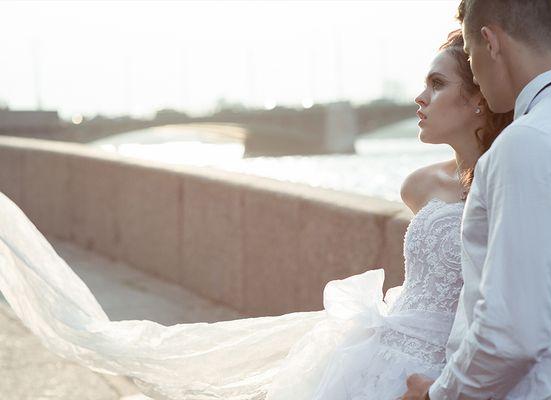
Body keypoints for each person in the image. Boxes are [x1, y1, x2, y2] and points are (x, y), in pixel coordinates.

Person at [0, 31, 511, 400]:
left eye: (437, 84)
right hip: (377, 358)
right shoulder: (418, 185)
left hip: (447, 370)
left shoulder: (511, 183)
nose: (419, 97)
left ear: (477, 102)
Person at [402, 1, 551, 399]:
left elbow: (512, 333)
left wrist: (439, 395)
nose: (474, 71)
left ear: (490, 42)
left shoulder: (525, 142)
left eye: (471, 57)